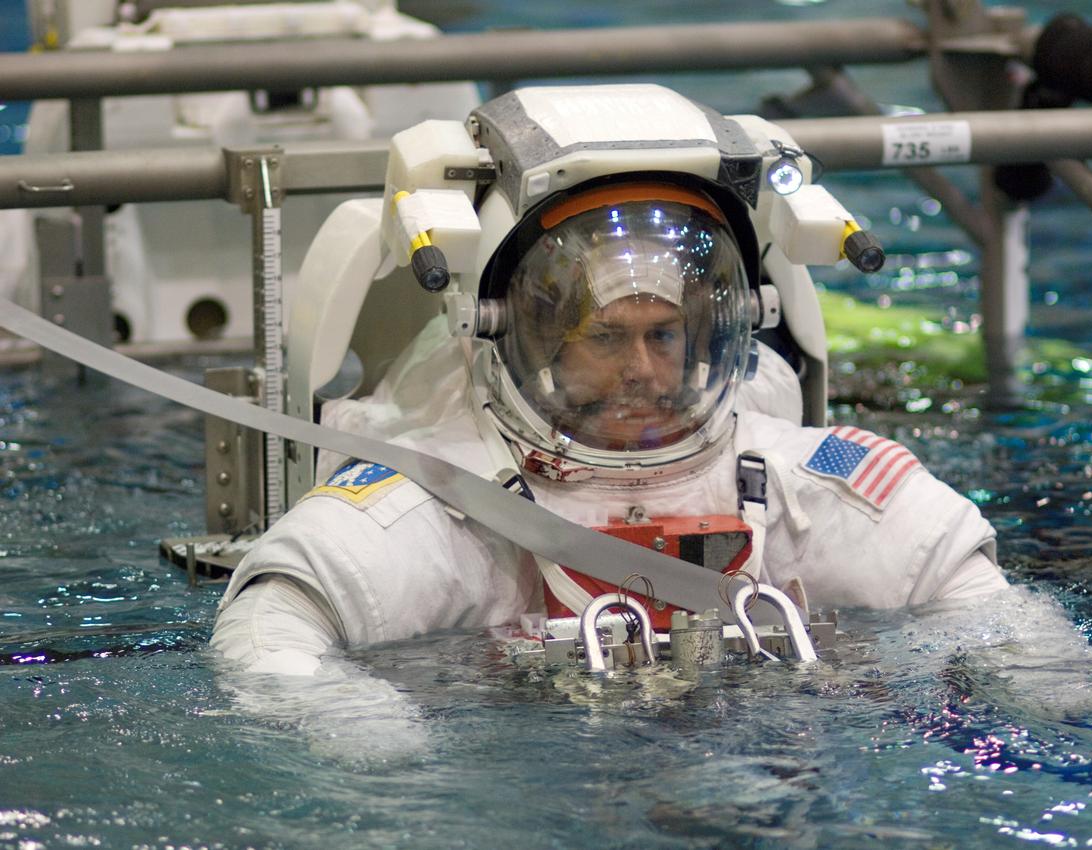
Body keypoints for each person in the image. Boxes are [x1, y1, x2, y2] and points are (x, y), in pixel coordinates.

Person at [211, 85, 1008, 676]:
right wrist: (371, 732)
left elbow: (986, 607)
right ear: (513, 331)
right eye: (605, 338)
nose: (642, 370)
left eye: (664, 335)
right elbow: (270, 630)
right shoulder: (451, 498)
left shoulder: (788, 479)